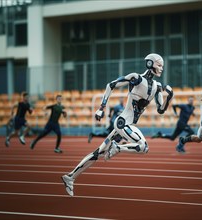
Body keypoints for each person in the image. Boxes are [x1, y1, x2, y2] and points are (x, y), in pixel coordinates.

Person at [61, 53, 173, 196]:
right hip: (122, 123)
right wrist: (101, 108)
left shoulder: (157, 87)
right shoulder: (136, 78)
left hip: (125, 126)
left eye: (162, 65)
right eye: (159, 64)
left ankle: (70, 177)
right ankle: (117, 148)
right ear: (150, 64)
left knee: (98, 153)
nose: (161, 68)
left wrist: (170, 97)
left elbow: (161, 110)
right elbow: (111, 85)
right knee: (143, 146)